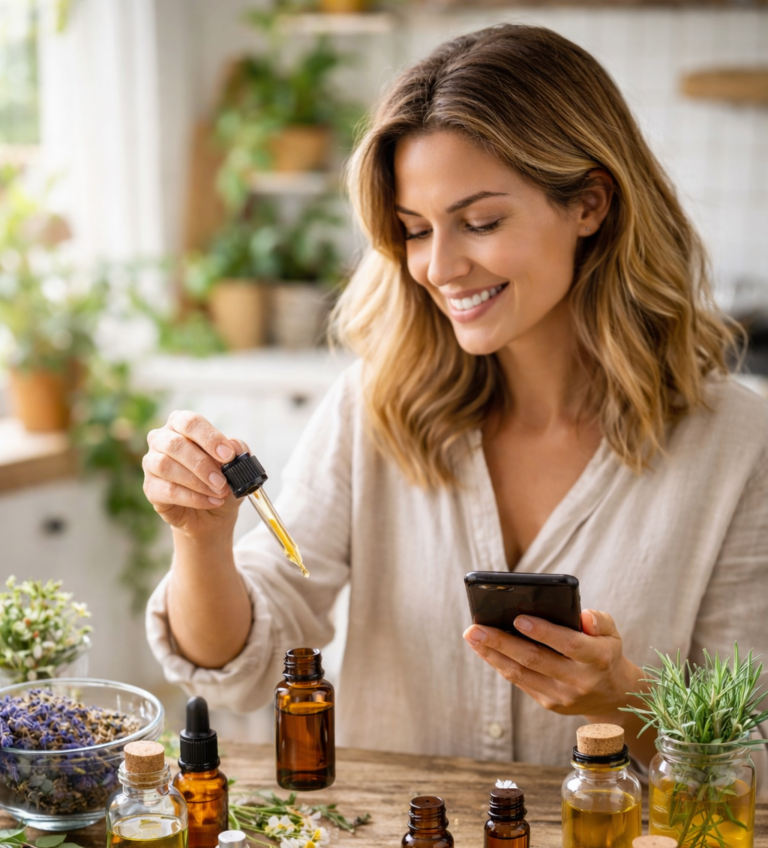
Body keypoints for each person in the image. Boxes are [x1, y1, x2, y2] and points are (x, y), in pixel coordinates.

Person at [143, 24, 768, 778]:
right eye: (413, 230)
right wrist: (201, 541)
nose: (439, 267)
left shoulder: (739, 446)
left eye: (480, 222)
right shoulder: (372, 408)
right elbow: (242, 665)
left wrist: (622, 699)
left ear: (591, 203)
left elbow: (749, 761)